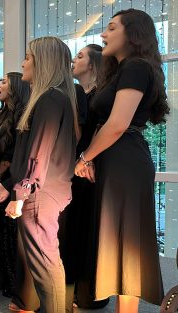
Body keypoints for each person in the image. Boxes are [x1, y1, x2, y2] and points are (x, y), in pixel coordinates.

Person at [74, 9, 168, 312]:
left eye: (111, 28)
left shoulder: (137, 67)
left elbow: (116, 124)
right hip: (119, 159)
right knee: (118, 248)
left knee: (125, 247)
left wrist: (85, 157)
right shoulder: (129, 68)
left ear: (132, 33)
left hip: (124, 160)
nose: (103, 34)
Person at [0, 36, 79, 312]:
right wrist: (12, 186)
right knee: (46, 262)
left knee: (45, 264)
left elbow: (38, 153)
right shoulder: (53, 98)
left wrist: (21, 193)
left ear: (43, 62)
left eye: (28, 57)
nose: (23, 63)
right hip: (44, 191)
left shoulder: (50, 98)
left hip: (41, 195)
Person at [66, 44, 109, 310]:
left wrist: (86, 159)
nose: (73, 59)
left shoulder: (101, 95)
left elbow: (101, 129)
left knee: (89, 225)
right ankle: (72, 287)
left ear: (93, 64)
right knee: (73, 226)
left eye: (80, 56)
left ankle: (90, 292)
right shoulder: (75, 93)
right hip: (74, 165)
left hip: (90, 166)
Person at [0, 72, 30, 298]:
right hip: (0, 178)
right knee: (0, 231)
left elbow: (17, 153)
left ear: (15, 87)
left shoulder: (22, 114)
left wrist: (2, 171)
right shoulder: (1, 113)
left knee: (11, 234)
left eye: (4, 82)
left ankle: (15, 284)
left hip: (12, 179)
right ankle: (2, 277)